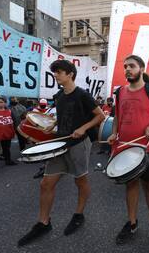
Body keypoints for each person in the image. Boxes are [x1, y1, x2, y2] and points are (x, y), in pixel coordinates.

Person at [18, 60, 105, 246]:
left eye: (59, 72)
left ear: (70, 74)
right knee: (46, 183)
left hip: (79, 144)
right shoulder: (59, 96)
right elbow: (61, 117)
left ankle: (78, 215)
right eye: (55, 72)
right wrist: (51, 126)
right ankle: (44, 223)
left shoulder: (83, 95)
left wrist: (83, 128)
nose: (56, 75)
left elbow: (100, 116)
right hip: (59, 142)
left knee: (80, 180)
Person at [107, 54, 149, 246]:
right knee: (131, 185)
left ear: (141, 69)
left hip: (148, 147)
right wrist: (113, 133)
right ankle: (132, 223)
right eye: (125, 66)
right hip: (126, 147)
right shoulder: (119, 92)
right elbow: (117, 117)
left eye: (132, 66)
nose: (127, 69)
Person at [0, 96, 16, 166]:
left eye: (1, 102)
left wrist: (15, 130)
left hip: (7, 134)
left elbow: (14, 121)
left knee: (6, 149)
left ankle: (8, 161)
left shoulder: (9, 111)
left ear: (5, 103)